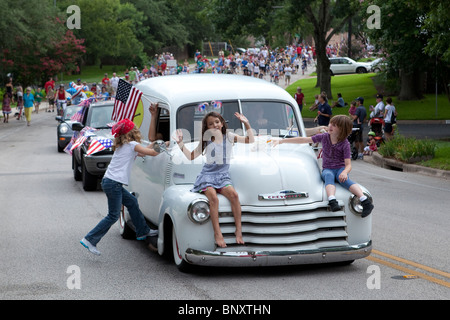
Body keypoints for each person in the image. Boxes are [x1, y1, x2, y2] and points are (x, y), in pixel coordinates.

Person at [173, 111, 255, 248]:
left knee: (234, 195)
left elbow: (250, 140)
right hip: (207, 176)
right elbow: (191, 156)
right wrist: (181, 144)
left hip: (223, 176)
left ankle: (238, 230)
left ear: (222, 123)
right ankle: (218, 233)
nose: (215, 125)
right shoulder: (207, 140)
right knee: (214, 199)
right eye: (210, 124)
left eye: (217, 122)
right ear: (207, 128)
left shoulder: (229, 137)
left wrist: (246, 123)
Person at [80, 119, 160, 256]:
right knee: (113, 215)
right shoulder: (132, 145)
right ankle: (89, 239)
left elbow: (145, 151)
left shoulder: (124, 145)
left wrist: (156, 144)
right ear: (132, 132)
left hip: (110, 182)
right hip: (113, 184)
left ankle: (143, 231)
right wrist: (163, 147)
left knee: (132, 202)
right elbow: (151, 153)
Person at [273, 115, 374, 217]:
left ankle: (364, 201)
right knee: (328, 176)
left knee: (346, 180)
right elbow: (303, 140)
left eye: (334, 125)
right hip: (328, 169)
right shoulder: (324, 137)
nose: (330, 126)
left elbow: (348, 165)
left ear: (342, 129)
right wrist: (282, 141)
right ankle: (332, 200)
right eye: (330, 123)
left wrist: (344, 172)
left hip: (340, 169)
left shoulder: (345, 144)